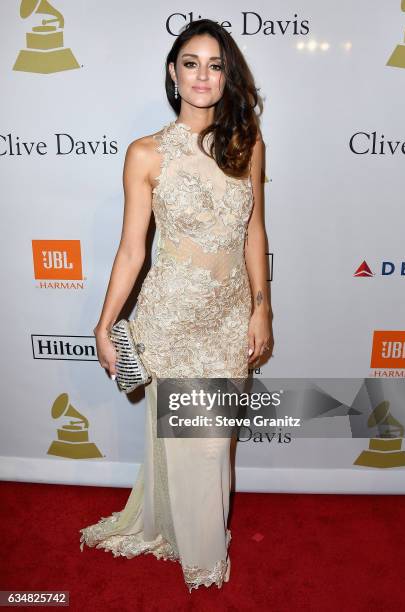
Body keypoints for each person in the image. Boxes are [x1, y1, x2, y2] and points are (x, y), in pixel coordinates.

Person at [79, 18, 274, 593]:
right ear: (173, 72)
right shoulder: (146, 154)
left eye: (215, 65)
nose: (203, 76)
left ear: (227, 76)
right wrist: (105, 322)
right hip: (173, 317)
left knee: (217, 441)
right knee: (203, 442)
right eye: (191, 63)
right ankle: (204, 556)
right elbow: (132, 248)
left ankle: (194, 533)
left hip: (228, 313)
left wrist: (262, 308)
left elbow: (255, 233)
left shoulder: (248, 143)